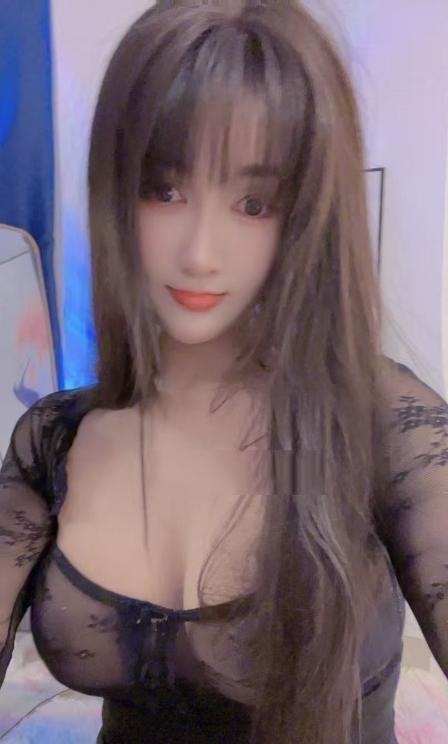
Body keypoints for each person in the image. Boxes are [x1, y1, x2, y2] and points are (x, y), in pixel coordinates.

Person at [1, 1, 447, 742]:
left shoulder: (383, 424)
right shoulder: (54, 437)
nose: (201, 252)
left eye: (253, 203)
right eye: (164, 190)